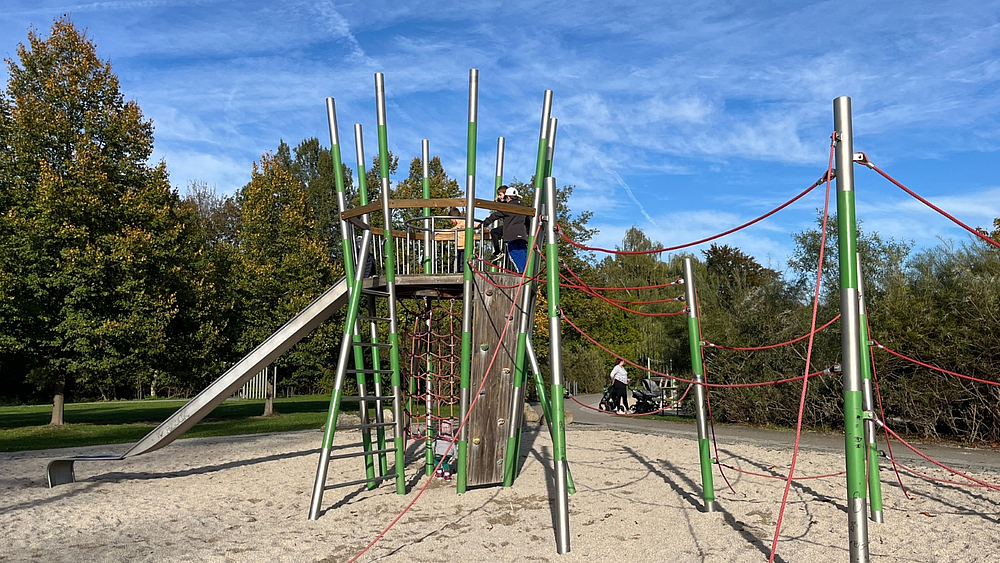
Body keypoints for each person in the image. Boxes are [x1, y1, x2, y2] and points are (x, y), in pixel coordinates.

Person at [481, 186, 528, 272]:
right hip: (522, 235)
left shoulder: (507, 207)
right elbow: (528, 220)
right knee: (523, 253)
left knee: (514, 254)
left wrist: (483, 224)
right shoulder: (523, 207)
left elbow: (494, 216)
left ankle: (522, 273)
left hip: (511, 235)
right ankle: (527, 272)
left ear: (508, 197)